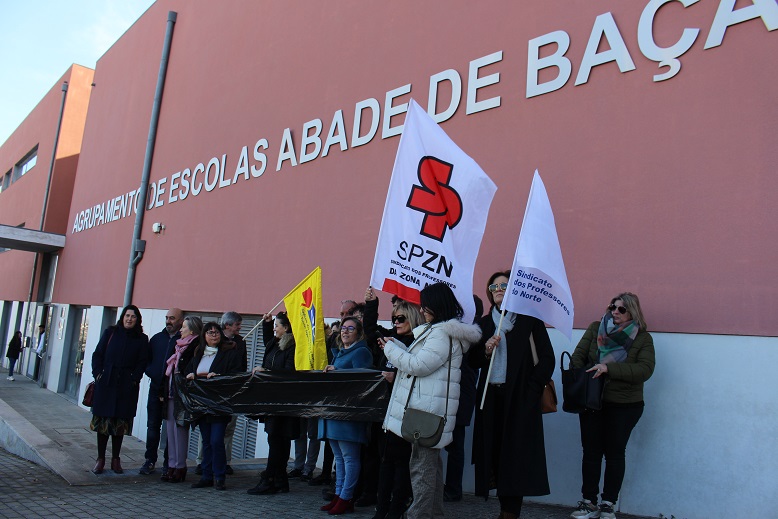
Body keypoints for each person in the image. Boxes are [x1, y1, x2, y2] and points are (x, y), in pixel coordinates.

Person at [381, 283, 481, 519]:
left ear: (436, 304)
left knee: (422, 471)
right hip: (427, 411)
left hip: (424, 413)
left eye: (425, 304)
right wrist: (397, 346)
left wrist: (391, 351)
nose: (422, 309)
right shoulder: (442, 332)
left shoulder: (440, 333)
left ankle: (419, 515)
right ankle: (433, 514)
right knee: (430, 470)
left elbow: (419, 366)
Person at [468, 271, 555, 519]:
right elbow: (472, 361)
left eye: (504, 285)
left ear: (514, 290)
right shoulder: (485, 324)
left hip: (518, 399)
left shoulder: (528, 321)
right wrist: (485, 350)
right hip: (490, 397)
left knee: (515, 455)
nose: (498, 288)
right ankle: (501, 507)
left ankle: (509, 512)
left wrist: (531, 390)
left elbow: (546, 359)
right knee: (493, 452)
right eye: (493, 285)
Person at [569, 293, 655, 519]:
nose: (615, 312)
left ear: (632, 312)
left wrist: (609, 369)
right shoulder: (595, 328)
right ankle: (588, 502)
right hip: (592, 401)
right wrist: (585, 376)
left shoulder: (642, 338)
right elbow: (577, 357)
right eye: (612, 307)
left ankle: (608, 503)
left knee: (615, 453)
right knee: (591, 452)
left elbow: (645, 370)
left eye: (621, 309)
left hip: (625, 405)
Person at [366, 288, 425, 519]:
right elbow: (371, 332)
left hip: (409, 413)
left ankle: (396, 509)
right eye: (394, 318)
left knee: (402, 466)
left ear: (412, 317)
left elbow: (419, 372)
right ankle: (381, 511)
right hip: (387, 411)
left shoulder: (420, 343)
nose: (396, 322)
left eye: (401, 318)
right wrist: (371, 304)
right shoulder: (392, 337)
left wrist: (397, 375)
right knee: (386, 462)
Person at [319, 316, 374, 515]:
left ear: (359, 333)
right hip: (334, 412)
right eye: (343, 328)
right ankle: (339, 494)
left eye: (351, 328)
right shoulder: (340, 353)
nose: (345, 331)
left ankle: (347, 497)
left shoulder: (361, 352)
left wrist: (337, 372)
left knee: (350, 458)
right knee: (339, 458)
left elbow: (363, 381)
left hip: (349, 414)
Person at [90, 305, 150, 475]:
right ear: (122, 317)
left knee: (119, 424)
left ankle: (116, 459)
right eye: (127, 316)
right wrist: (98, 374)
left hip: (126, 386)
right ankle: (100, 459)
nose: (129, 319)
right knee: (103, 424)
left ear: (137, 320)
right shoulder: (111, 333)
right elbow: (98, 354)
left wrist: (133, 379)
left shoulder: (142, 339)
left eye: (133, 317)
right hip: (106, 383)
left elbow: (142, 362)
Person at [247, 311, 299, 495]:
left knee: (278, 440)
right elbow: (268, 342)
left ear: (286, 329)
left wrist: (266, 371)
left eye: (278, 325)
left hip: (283, 402)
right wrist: (267, 324)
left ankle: (269, 479)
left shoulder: (292, 347)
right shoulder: (276, 343)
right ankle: (280, 479)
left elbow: (288, 373)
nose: (275, 328)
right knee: (276, 439)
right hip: (273, 400)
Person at [186, 322, 242, 491]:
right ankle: (206, 476)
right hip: (202, 404)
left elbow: (235, 374)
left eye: (216, 332)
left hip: (219, 404)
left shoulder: (229, 353)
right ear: (204, 336)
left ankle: (220, 476)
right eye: (209, 332)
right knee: (207, 442)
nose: (213, 335)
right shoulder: (198, 352)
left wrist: (218, 376)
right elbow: (189, 370)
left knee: (217, 440)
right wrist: (190, 374)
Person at [443, 294, 483, 502]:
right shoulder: (461, 334)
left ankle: (452, 488)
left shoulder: (470, 336)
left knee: (455, 446)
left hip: (460, 396)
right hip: (455, 395)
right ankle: (448, 487)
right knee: (450, 445)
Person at [141, 307, 183, 475]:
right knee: (152, 427)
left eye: (172, 318)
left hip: (173, 392)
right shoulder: (157, 339)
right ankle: (149, 460)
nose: (168, 321)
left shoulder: (183, 341)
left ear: (181, 321)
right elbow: (147, 360)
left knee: (171, 429)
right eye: (167, 317)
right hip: (155, 389)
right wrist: (151, 372)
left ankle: (169, 462)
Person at [161, 315, 202, 483]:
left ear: (192, 330)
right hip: (171, 392)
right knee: (170, 430)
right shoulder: (178, 345)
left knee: (180, 430)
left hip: (183, 395)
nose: (180, 330)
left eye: (183, 327)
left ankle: (180, 466)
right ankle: (171, 465)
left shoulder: (196, 346)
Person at [221, 310, 246, 475]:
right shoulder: (216, 338)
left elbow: (243, 365)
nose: (239, 328)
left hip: (233, 391)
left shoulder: (241, 342)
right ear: (227, 325)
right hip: (217, 390)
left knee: (229, 428)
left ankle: (225, 461)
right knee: (212, 428)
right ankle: (203, 461)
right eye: (237, 325)